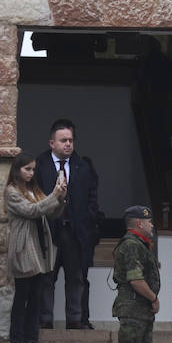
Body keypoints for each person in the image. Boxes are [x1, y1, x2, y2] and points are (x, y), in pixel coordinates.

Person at [83, 205, 161, 343]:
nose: (152, 225)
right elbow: (136, 281)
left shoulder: (138, 244)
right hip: (134, 307)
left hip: (140, 310)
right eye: (149, 221)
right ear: (139, 223)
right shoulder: (132, 245)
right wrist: (153, 298)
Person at [35, 118, 100, 330]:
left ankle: (76, 320)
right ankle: (44, 320)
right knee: (46, 279)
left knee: (77, 278)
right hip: (49, 232)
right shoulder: (39, 165)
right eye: (63, 140)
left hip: (76, 233)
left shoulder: (83, 166)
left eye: (71, 140)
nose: (68, 144)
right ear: (52, 143)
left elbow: (92, 197)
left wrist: (89, 219)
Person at [4, 152, 66, 343]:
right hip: (24, 248)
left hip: (40, 246)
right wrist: (53, 197)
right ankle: (16, 338)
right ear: (17, 170)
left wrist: (61, 198)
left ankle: (32, 337)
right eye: (27, 169)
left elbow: (50, 212)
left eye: (33, 169)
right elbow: (33, 211)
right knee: (22, 295)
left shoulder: (35, 190)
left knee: (36, 295)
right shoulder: (12, 191)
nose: (31, 173)